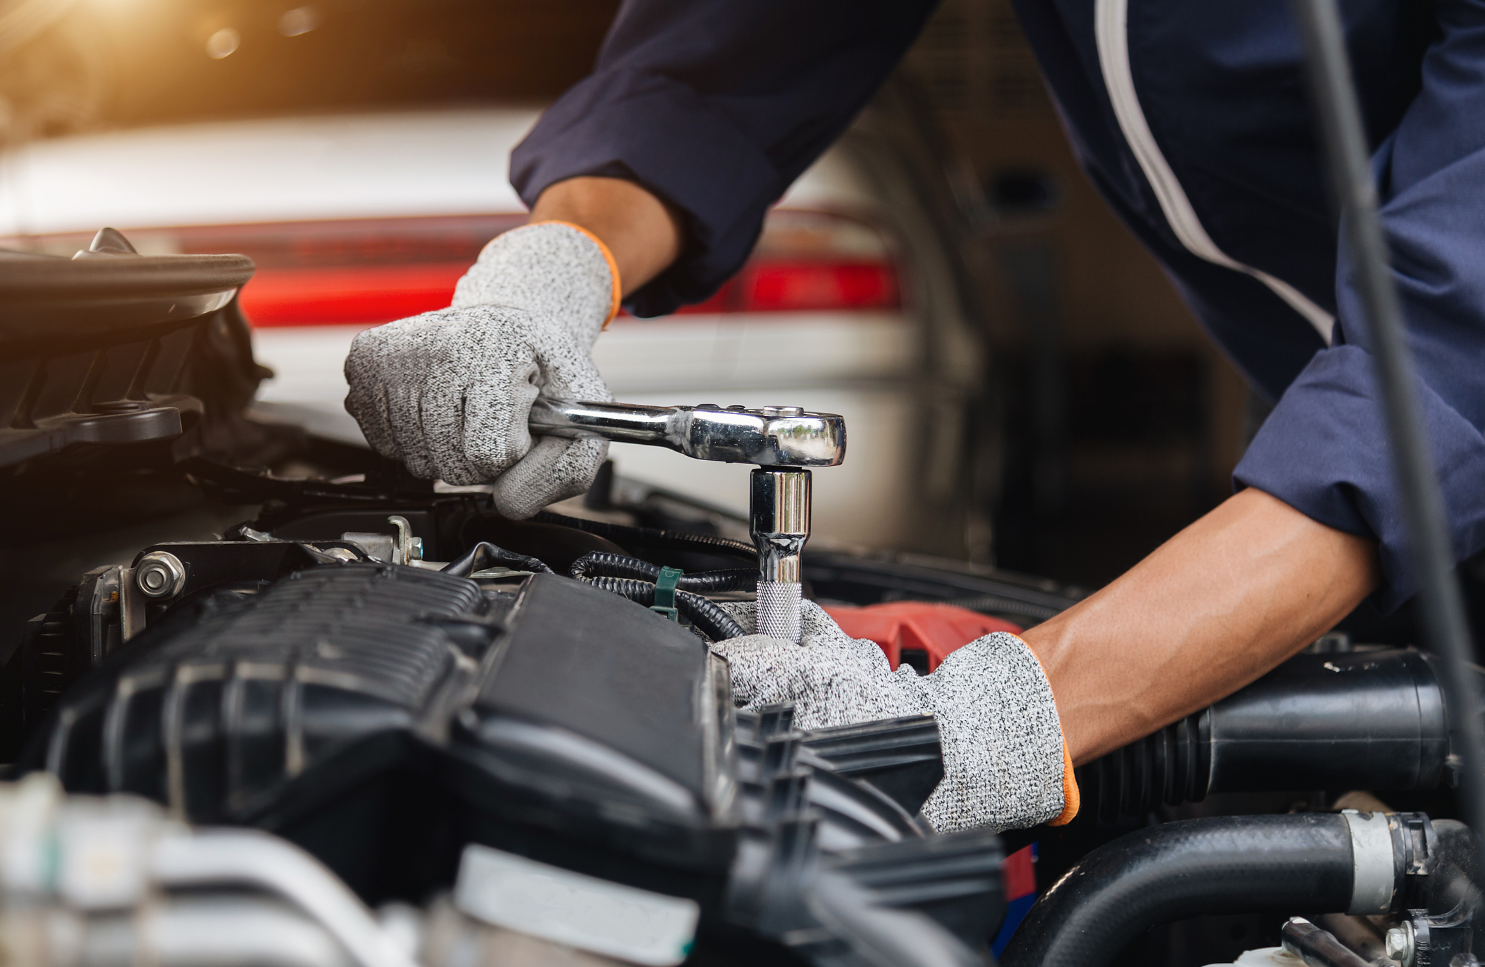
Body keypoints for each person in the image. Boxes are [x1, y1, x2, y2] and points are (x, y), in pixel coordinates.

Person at [343, 0, 1485, 833]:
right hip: (1347, 427)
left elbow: (1436, 386)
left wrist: (999, 718)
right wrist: (551, 271)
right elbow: (718, 65)